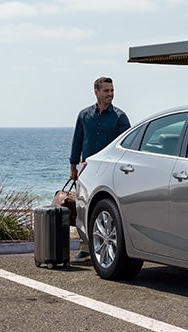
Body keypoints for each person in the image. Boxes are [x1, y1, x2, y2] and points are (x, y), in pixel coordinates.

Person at [69, 76, 130, 265]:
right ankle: (85, 247)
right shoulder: (84, 115)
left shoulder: (120, 117)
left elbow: (127, 146)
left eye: (112, 91)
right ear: (96, 91)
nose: (110, 94)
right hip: (87, 170)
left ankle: (111, 247)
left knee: (105, 208)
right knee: (82, 208)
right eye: (106, 91)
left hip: (109, 171)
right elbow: (77, 141)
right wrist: (73, 167)